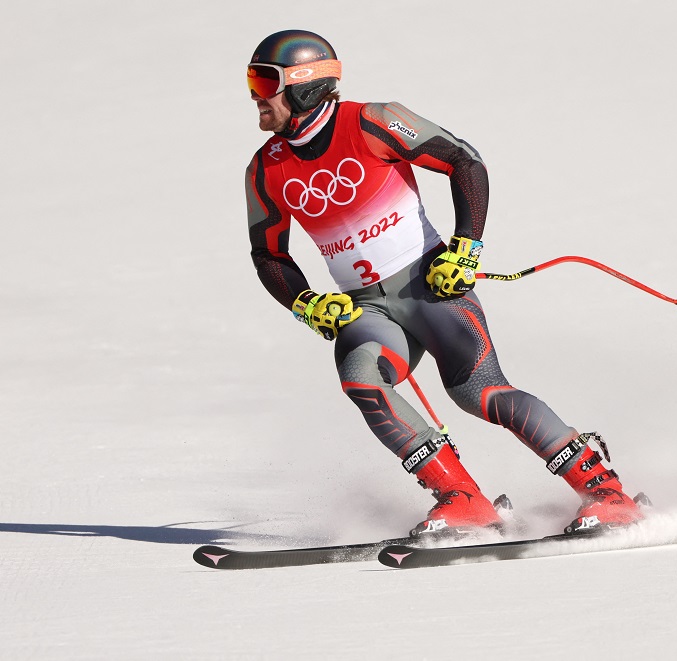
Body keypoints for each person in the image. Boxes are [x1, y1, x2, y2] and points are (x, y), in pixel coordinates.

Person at [244, 29, 645, 537]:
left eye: (265, 82)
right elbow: (268, 254)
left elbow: (464, 161)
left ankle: (606, 491)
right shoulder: (265, 169)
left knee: (480, 394)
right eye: (251, 82)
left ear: (305, 84)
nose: (255, 96)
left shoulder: (371, 121)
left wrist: (465, 248)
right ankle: (463, 499)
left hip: (429, 285)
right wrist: (305, 302)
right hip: (366, 307)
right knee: (362, 380)